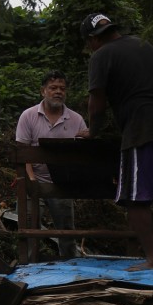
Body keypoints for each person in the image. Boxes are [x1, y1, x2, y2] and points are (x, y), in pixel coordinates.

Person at [78, 12, 153, 271]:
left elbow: (97, 103)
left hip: (141, 128)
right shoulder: (143, 44)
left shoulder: (101, 55)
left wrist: (93, 131)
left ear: (92, 39)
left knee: (135, 198)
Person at [16, 70, 88, 259]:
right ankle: (28, 265)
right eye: (53, 88)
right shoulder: (28, 116)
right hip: (34, 177)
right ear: (43, 91)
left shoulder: (76, 119)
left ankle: (70, 266)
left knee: (66, 230)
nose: (58, 92)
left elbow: (83, 153)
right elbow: (22, 152)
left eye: (62, 89)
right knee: (29, 225)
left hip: (63, 182)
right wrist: (31, 181)